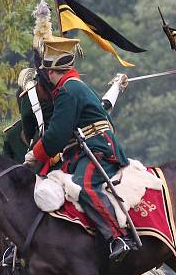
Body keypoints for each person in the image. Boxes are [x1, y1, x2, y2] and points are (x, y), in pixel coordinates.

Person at [23, 36, 133, 261]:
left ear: (54, 72)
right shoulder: (74, 87)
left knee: (82, 186)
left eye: (49, 73)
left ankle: (117, 237)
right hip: (84, 149)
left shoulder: (68, 91)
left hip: (99, 148)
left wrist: (34, 155)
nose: (49, 78)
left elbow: (55, 137)